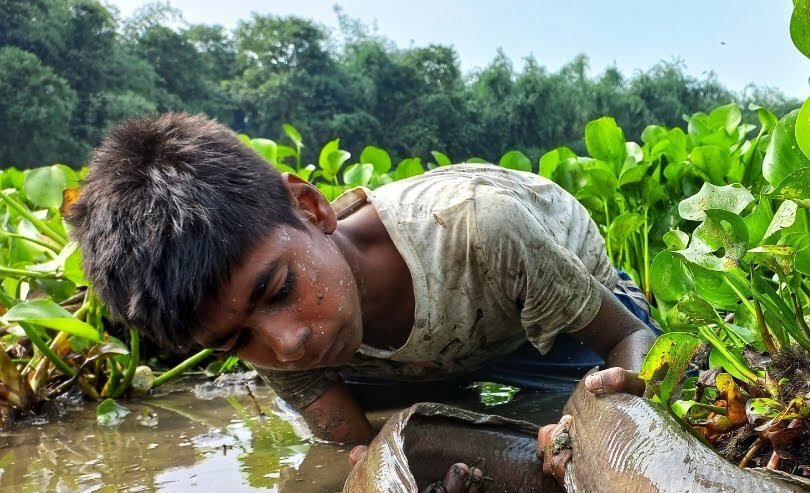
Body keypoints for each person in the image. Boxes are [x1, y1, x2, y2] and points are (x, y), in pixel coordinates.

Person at [67, 112, 656, 468]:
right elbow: (360, 451)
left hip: (555, 318)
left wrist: (601, 424)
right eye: (236, 340)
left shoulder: (480, 227)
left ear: (310, 207)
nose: (289, 344)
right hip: (436, 357)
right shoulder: (267, 337)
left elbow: (627, 337)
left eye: (278, 290)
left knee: (619, 395)